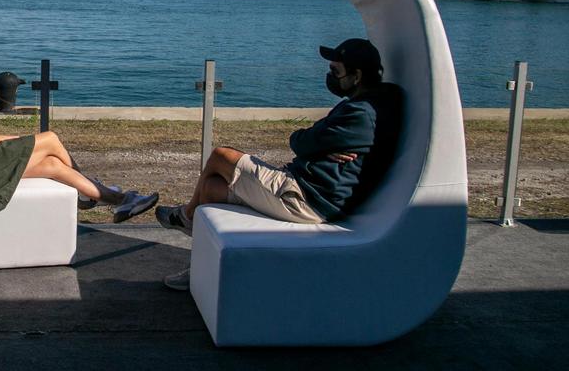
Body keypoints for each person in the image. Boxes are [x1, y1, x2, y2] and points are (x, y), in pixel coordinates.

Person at [155, 38, 403, 290]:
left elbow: (300, 141)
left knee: (221, 156)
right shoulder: (375, 103)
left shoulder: (361, 115)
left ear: (357, 75)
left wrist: (316, 145)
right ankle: (199, 269)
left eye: (335, 71)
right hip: (307, 189)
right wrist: (321, 148)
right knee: (211, 189)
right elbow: (311, 141)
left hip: (307, 199)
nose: (330, 76)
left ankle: (185, 217)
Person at [0, 42, 158, 221]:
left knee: (53, 165)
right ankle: (102, 196)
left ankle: (108, 199)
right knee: (50, 139)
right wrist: (16, 140)